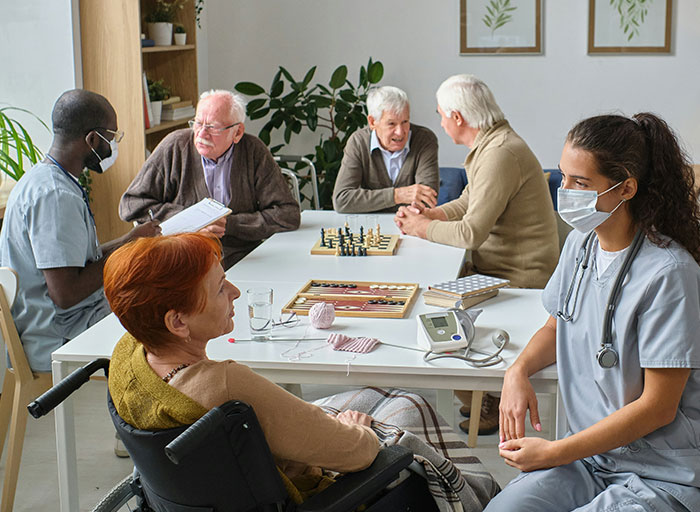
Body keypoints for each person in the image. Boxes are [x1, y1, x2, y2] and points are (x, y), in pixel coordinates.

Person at [104, 233, 499, 507]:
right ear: (177, 323)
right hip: (318, 494)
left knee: (386, 394)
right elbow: (359, 453)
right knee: (409, 405)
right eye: (221, 287)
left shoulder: (131, 356)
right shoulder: (224, 386)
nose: (236, 293)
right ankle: (479, 497)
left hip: (233, 479)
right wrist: (358, 428)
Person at [487, 113, 700, 511]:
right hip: (588, 459)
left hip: (659, 472)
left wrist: (553, 452)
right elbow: (556, 327)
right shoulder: (580, 247)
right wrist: (517, 372)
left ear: (626, 188)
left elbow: (659, 406)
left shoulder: (670, 273)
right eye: (564, 178)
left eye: (581, 183)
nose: (565, 191)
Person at [394, 74, 559, 436]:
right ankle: (479, 397)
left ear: (457, 117)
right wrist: (432, 215)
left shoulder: (500, 153)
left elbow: (471, 232)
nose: (439, 122)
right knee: (431, 296)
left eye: (440, 114)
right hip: (499, 267)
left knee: (431, 307)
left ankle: (481, 402)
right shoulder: (494, 143)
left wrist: (421, 228)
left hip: (519, 278)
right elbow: (471, 202)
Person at [0, 89, 160, 373]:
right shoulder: (56, 196)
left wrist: (131, 240)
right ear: (92, 139)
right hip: (57, 338)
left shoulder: (44, 179)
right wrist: (125, 251)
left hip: (59, 324)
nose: (112, 146)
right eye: (112, 137)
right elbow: (66, 293)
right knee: (162, 318)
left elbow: (78, 263)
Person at [119, 89, 300, 269]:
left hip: (243, 259)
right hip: (183, 259)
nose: (201, 134)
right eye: (197, 123)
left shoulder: (253, 151)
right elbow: (131, 204)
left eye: (212, 127)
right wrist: (192, 222)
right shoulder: (174, 146)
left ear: (237, 132)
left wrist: (229, 224)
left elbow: (287, 214)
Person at [332, 86, 439, 213]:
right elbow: (342, 200)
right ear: (372, 122)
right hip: (370, 225)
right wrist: (397, 195)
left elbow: (427, 200)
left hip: (410, 224)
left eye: (405, 122)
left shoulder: (424, 139)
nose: (400, 132)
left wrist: (370, 201)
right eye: (391, 124)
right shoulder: (358, 142)